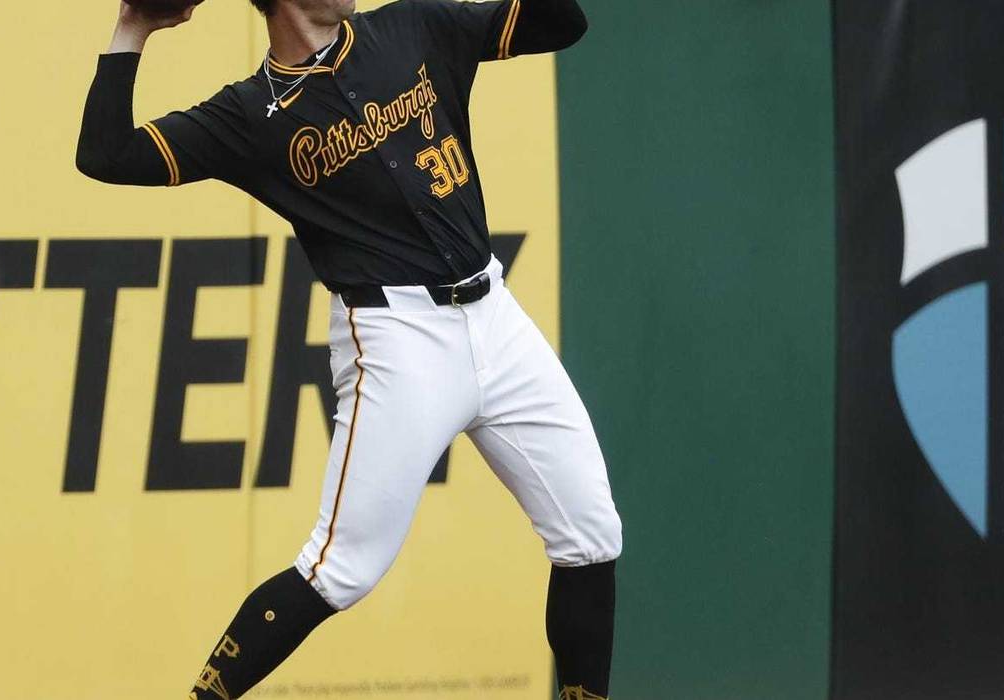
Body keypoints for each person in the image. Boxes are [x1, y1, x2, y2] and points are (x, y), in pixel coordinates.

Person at [76, 1, 622, 698]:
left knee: (590, 536)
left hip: (495, 316)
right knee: (339, 570)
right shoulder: (248, 115)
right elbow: (106, 154)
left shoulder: (414, 25)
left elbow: (563, 22)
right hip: (398, 340)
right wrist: (133, 28)